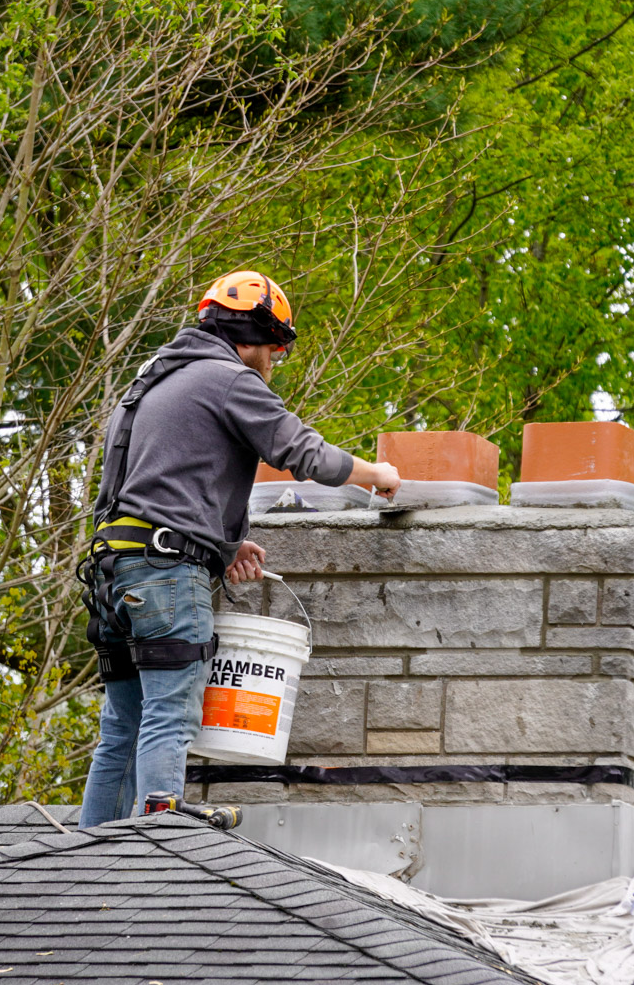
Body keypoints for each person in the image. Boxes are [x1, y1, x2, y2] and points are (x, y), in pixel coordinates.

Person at [78, 270, 401, 828]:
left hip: (114, 573)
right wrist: (378, 474)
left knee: (121, 729)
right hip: (164, 578)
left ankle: (91, 857)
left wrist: (221, 547)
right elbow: (304, 454)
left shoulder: (150, 382)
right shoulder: (227, 379)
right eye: (275, 346)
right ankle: (161, 838)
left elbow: (140, 490)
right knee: (170, 715)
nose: (275, 359)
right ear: (249, 335)